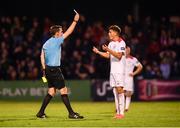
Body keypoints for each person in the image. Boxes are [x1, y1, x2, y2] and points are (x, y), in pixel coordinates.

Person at [36, 10, 84, 119]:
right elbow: (70, 32)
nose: (62, 32)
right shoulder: (57, 41)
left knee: (51, 91)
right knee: (63, 90)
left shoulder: (46, 43)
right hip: (55, 70)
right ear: (57, 33)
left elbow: (41, 56)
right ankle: (71, 113)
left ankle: (40, 113)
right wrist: (75, 21)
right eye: (61, 31)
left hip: (48, 69)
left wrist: (44, 69)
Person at [92, 25, 126, 119]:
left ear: (115, 33)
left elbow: (119, 56)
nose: (109, 33)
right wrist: (98, 52)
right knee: (115, 91)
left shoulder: (121, 43)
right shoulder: (111, 43)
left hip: (119, 70)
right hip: (113, 70)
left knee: (120, 90)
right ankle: (118, 113)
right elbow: (108, 56)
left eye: (110, 32)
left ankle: (122, 113)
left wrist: (108, 50)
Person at [124, 46, 143, 111]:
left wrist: (134, 73)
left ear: (129, 51)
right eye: (125, 50)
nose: (126, 51)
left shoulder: (133, 59)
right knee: (120, 92)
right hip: (121, 77)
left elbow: (140, 66)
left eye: (128, 50)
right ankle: (119, 107)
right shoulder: (120, 58)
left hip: (129, 78)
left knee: (128, 93)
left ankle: (126, 108)